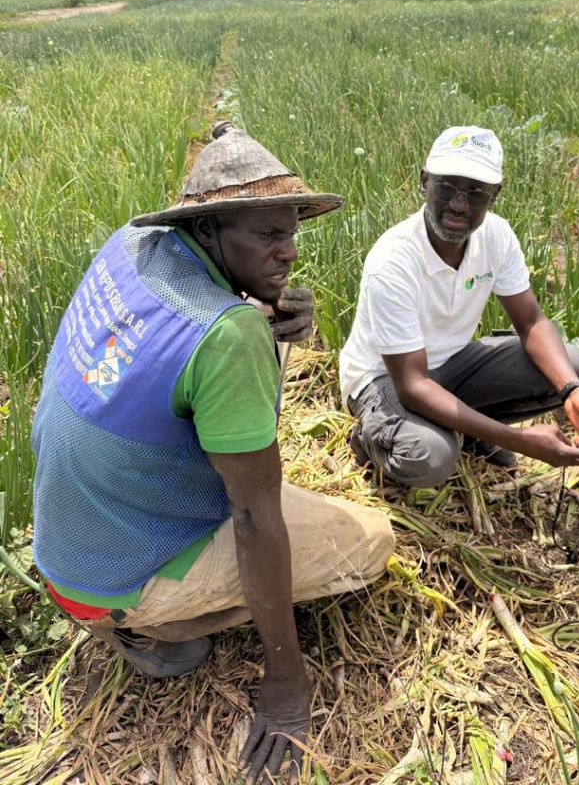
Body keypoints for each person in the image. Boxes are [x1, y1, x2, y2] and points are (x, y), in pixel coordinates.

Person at [31, 122, 395, 783]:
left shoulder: (133, 246)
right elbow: (255, 515)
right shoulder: (226, 337)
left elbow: (186, 349)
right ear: (207, 229)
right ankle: (148, 627)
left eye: (291, 232)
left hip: (66, 544)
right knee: (371, 542)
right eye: (266, 235)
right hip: (117, 575)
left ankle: (127, 609)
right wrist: (285, 685)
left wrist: (263, 317)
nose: (287, 253)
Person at [340, 125, 579, 487]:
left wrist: (571, 390)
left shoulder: (496, 236)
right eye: (446, 187)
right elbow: (412, 384)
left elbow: (530, 321)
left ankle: (462, 429)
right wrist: (516, 439)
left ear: (494, 195)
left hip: (451, 366)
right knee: (429, 458)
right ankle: (370, 438)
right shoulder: (394, 260)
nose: (457, 204)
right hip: (386, 378)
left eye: (475, 193)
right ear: (424, 182)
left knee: (572, 365)